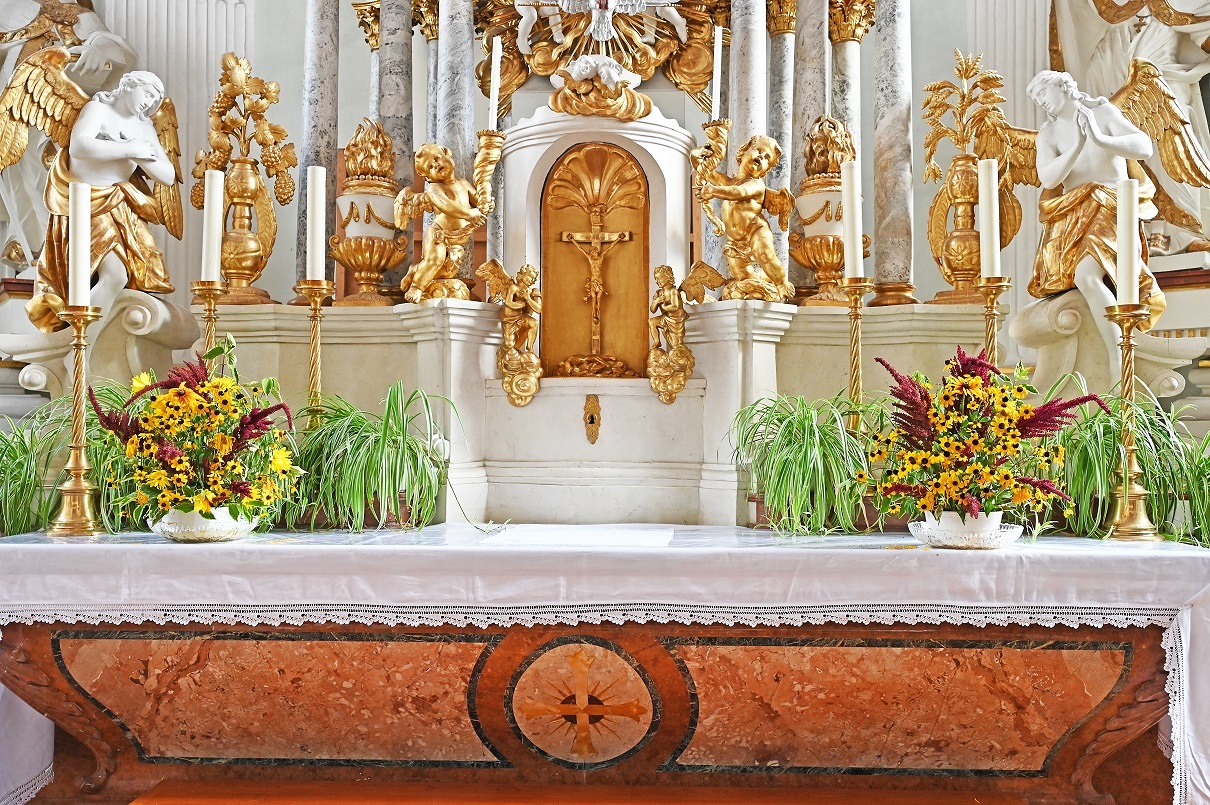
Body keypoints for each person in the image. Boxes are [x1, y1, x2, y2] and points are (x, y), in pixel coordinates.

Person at [1027, 69, 1167, 376]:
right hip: (1072, 212)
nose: (1041, 102)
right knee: (1084, 281)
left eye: (1043, 93)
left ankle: (1119, 358)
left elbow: (1144, 146)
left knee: (1088, 276)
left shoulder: (1103, 113)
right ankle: (1113, 354)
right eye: (1036, 99)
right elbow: (1048, 178)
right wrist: (1077, 145)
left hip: (1110, 205)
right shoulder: (1049, 134)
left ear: (1063, 86)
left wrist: (1100, 138)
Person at [27, 70, 176, 333]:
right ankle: (77, 342)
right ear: (129, 85)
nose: (149, 102)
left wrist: (140, 155)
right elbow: (80, 146)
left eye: (154, 99)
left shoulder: (144, 127)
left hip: (120, 204)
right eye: (147, 94)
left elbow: (168, 175)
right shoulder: (98, 109)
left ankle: (83, 342)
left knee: (130, 278)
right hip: (85, 204)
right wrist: (129, 148)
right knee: (114, 275)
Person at [0, 0, 136, 266]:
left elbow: (117, 48)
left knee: (52, 162)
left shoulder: (78, 15)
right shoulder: (10, 10)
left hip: (58, 109)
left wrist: (100, 46)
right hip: (15, 106)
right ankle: (29, 239)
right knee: (18, 165)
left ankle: (56, 238)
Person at [694, 135, 794, 301]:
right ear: (743, 152)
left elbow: (738, 192)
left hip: (755, 230)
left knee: (766, 256)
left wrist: (713, 190)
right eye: (758, 150)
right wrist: (697, 154)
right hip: (735, 241)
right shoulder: (728, 182)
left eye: (767, 158)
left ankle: (782, 283)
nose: (761, 157)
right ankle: (763, 281)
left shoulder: (756, 184)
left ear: (765, 170)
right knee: (744, 276)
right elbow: (703, 170)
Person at [395, 143, 487, 303]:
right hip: (438, 235)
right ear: (428, 178)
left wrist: (485, 201)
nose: (436, 165)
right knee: (435, 260)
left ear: (447, 154)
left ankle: (415, 270)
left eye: (437, 158)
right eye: (430, 167)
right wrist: (469, 214)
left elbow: (477, 200)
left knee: (446, 272)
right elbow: (447, 205)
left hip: (457, 238)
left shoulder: (463, 183)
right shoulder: (434, 189)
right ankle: (417, 287)